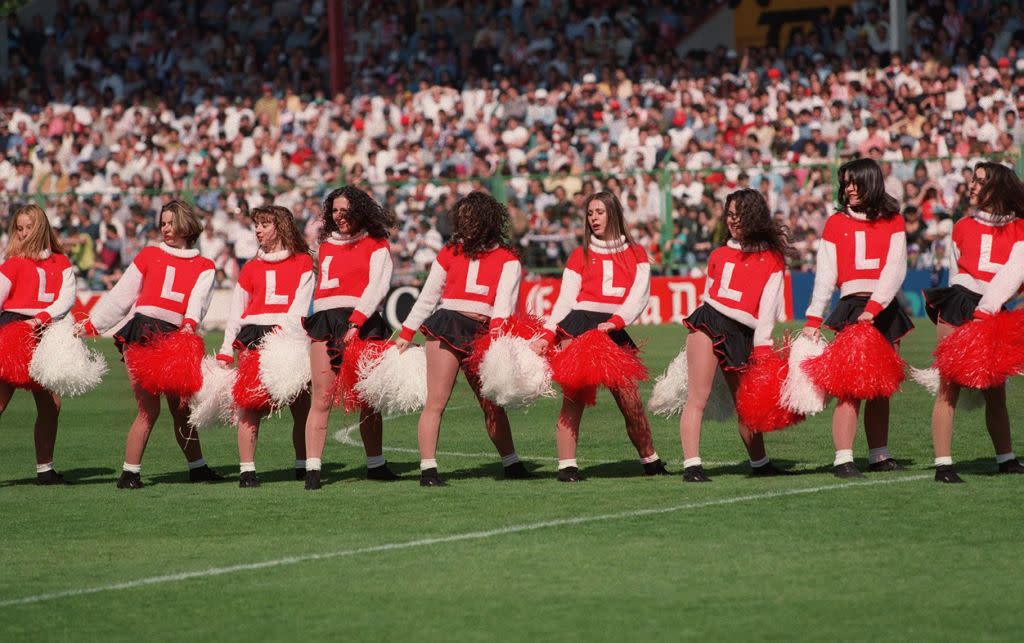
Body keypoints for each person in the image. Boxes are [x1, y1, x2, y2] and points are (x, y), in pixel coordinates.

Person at [81, 200, 219, 489]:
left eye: (171, 222)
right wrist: (94, 324)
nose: (166, 228)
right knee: (148, 409)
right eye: (163, 223)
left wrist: (189, 326)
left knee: (181, 409)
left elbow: (198, 300)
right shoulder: (149, 254)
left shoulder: (205, 266)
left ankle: (198, 468)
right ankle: (130, 473)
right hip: (142, 332)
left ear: (186, 224)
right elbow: (123, 294)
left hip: (175, 335)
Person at [395, 191, 530, 487]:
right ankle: (428, 470)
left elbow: (504, 306)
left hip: (483, 333)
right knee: (436, 402)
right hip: (448, 324)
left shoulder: (508, 259)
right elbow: (428, 297)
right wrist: (406, 334)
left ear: (487, 221)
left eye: (472, 218)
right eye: (462, 218)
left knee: (492, 403)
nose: (465, 223)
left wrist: (497, 341)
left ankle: (511, 463)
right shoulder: (449, 251)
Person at [535, 191, 669, 482]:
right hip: (579, 324)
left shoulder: (636, 253)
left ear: (613, 214)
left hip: (612, 328)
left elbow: (640, 294)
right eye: (590, 213)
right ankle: (567, 466)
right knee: (574, 398)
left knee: (630, 399)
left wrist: (616, 322)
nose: (593, 218)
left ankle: (651, 460)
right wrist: (548, 334)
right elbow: (565, 300)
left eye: (599, 212)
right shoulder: (578, 254)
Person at [802, 158, 912, 478]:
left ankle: (879, 453)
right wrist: (813, 318)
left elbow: (896, 268)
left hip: (883, 308)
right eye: (845, 183)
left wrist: (875, 307)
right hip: (852, 306)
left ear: (871, 181)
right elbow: (825, 275)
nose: (848, 188)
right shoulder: (835, 222)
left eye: (854, 181)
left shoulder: (893, 220)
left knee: (881, 386)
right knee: (850, 387)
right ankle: (843, 458)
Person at [677, 189, 793, 482]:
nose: (733, 221)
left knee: (746, 404)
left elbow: (768, 310)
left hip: (744, 333)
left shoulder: (773, 259)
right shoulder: (718, 253)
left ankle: (760, 463)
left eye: (739, 215)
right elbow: (708, 295)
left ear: (754, 217)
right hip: (710, 321)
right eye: (729, 215)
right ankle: (692, 465)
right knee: (697, 398)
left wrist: (763, 348)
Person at [924, 162, 1024, 482]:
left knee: (996, 391)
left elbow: (1015, 273)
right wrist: (969, 306)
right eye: (973, 180)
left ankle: (1006, 458)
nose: (973, 186)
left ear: (998, 187)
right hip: (959, 304)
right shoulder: (962, 225)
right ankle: (943, 464)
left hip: (994, 312)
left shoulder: (1020, 228)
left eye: (980, 181)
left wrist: (988, 308)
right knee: (948, 386)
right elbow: (956, 272)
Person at [302, 186, 396, 490]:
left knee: (369, 399)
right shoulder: (324, 245)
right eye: (335, 210)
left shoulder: (377, 244)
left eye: (346, 210)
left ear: (360, 210)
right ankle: (313, 470)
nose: (339, 216)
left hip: (363, 323)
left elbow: (377, 286)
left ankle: (376, 464)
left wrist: (356, 321)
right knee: (322, 397)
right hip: (326, 321)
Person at [216, 205, 314, 488]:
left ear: (281, 227)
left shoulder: (303, 262)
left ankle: (304, 464)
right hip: (252, 336)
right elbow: (237, 311)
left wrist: (284, 336)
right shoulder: (249, 268)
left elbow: (301, 304)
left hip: (290, 336)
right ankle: (247, 471)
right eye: (256, 225)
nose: (257, 230)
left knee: (301, 405)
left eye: (264, 224)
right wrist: (225, 348)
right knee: (250, 405)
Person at [0, 205, 76, 485]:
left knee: (50, 405)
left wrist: (42, 318)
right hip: (14, 331)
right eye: (18, 228)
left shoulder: (61, 262)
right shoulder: (12, 263)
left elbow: (67, 299)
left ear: (41, 227)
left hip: (45, 333)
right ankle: (45, 470)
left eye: (28, 227)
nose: (22, 233)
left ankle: (45, 470)